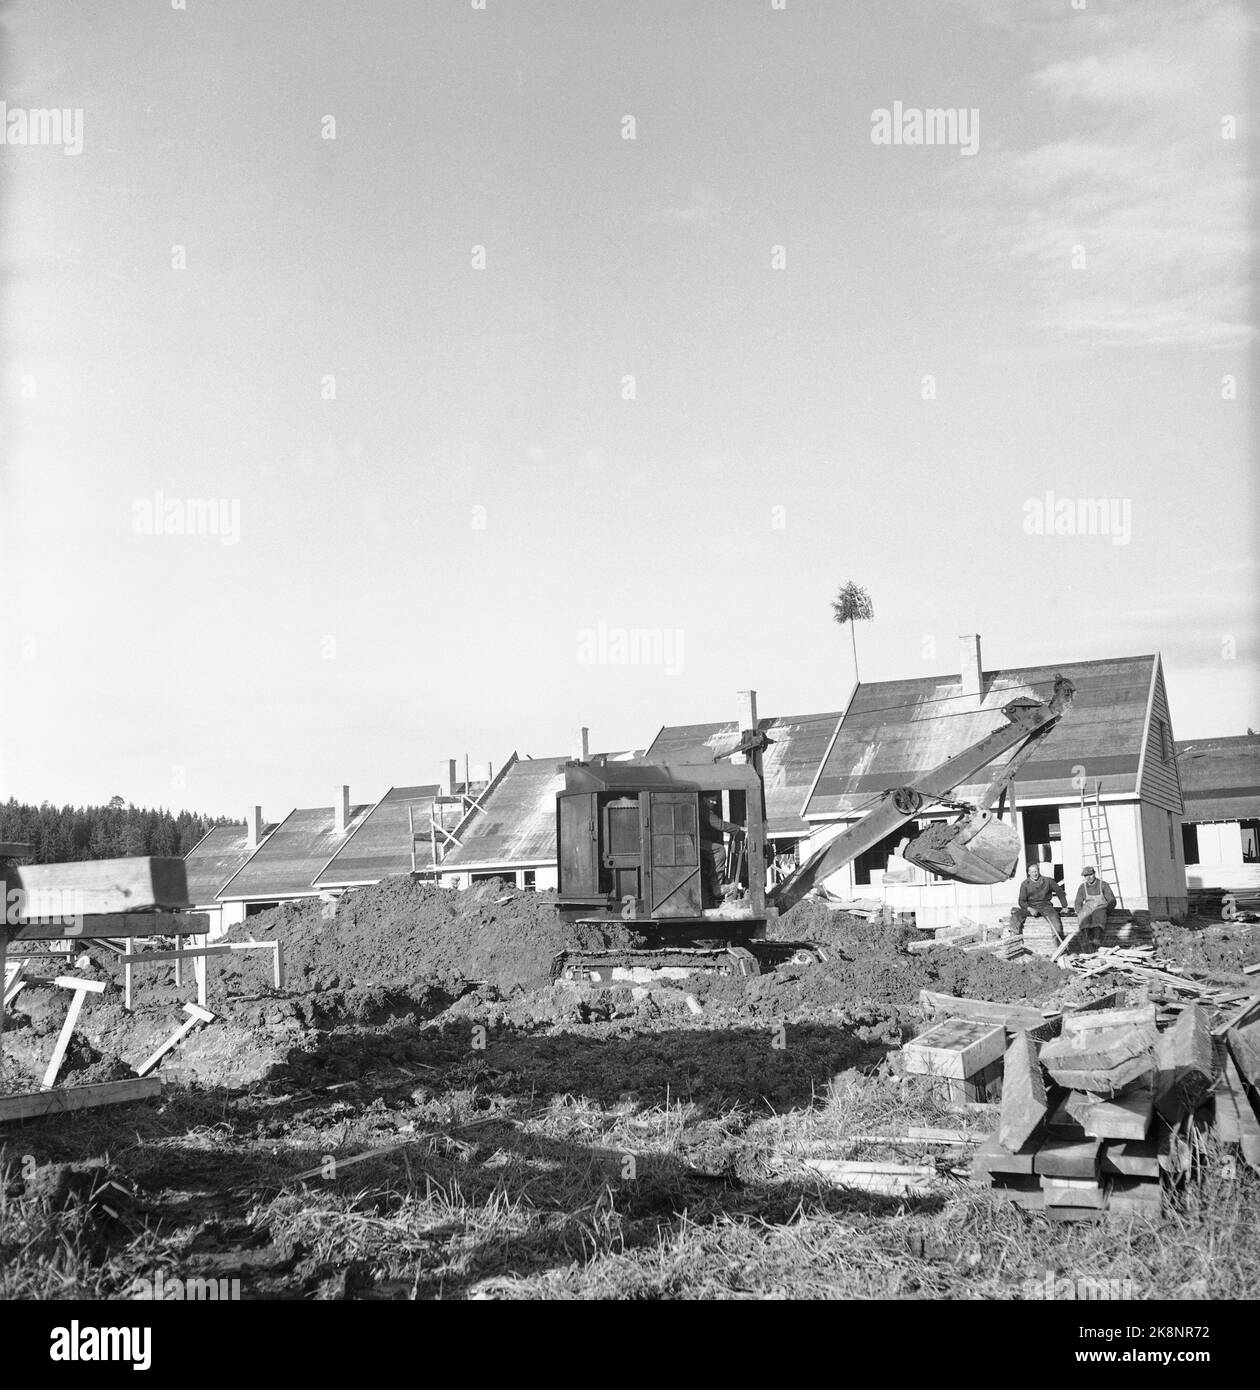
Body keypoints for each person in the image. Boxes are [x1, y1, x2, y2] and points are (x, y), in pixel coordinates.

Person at [1010, 862, 1069, 942]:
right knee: (1016, 916)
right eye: (1032, 872)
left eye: (1036, 871)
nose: (1034, 874)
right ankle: (1014, 940)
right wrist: (1029, 909)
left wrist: (1064, 906)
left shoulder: (1048, 881)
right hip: (1031, 906)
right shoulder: (1025, 884)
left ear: (1038, 871)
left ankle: (1059, 944)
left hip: (1046, 906)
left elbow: (1060, 892)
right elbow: (1021, 901)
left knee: (1055, 921)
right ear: (1028, 873)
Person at [1074, 866, 1116, 947]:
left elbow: (1112, 900)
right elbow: (1078, 901)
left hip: (1100, 906)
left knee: (1098, 914)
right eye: (1086, 876)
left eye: (1090, 875)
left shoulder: (1103, 885)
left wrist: (1107, 911)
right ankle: (1086, 940)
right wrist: (1079, 911)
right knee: (1083, 914)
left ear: (1094, 874)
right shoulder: (1082, 887)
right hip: (1088, 907)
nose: (1088, 877)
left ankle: (1096, 939)